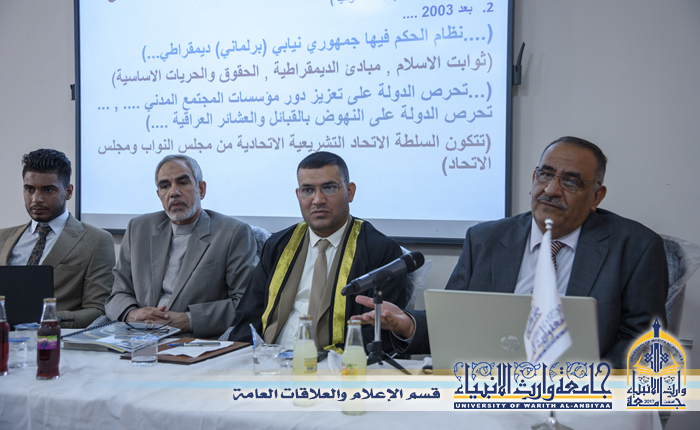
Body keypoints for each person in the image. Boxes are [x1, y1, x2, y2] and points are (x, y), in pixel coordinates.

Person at [354, 137, 669, 368]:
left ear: (596, 196)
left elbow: (642, 342)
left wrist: (586, 377)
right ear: (533, 179)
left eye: (571, 182)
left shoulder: (635, 248)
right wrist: (408, 323)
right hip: (488, 384)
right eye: (545, 175)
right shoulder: (485, 239)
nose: (551, 189)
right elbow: (455, 321)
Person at [228, 152, 406, 352]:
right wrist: (240, 359)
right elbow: (248, 316)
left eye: (329, 188)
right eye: (308, 190)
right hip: (269, 358)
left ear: (350, 192)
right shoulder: (278, 245)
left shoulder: (380, 251)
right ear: (298, 195)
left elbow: (376, 332)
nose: (318, 200)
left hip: (335, 363)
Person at [104, 155, 257, 338]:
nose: (173, 192)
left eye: (182, 183)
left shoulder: (233, 233)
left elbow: (245, 302)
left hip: (192, 340)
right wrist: (131, 314)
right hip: (136, 336)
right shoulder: (138, 228)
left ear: (201, 189)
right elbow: (117, 293)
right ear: (159, 195)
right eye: (165, 186)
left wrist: (188, 320)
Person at [0, 149, 115, 328]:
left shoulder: (96, 241)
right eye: (29, 189)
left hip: (55, 338)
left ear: (68, 192)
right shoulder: (3, 238)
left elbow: (99, 311)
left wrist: (48, 318)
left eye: (48, 190)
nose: (36, 199)